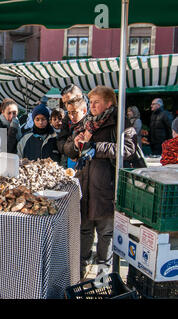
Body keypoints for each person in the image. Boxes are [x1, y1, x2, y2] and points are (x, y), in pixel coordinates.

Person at [70, 86, 137, 279]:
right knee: (84, 232)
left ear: (109, 103)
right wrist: (77, 143)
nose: (92, 106)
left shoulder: (120, 122)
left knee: (106, 236)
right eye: (90, 102)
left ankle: (102, 279)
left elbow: (127, 149)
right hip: (85, 187)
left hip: (107, 190)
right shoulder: (88, 123)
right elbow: (76, 149)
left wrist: (96, 147)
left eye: (96, 102)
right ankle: (80, 273)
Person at [57, 96, 88, 169]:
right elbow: (65, 146)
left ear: (84, 111)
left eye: (74, 113)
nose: (71, 116)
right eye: (69, 113)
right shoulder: (72, 126)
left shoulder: (87, 127)